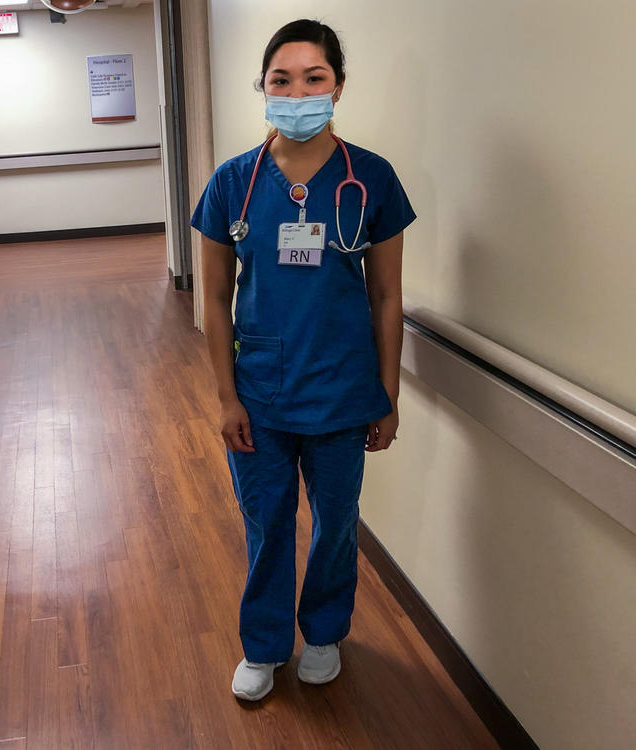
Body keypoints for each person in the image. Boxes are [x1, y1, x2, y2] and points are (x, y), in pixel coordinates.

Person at [190, 19, 415, 701]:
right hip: (259, 390)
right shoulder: (232, 183)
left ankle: (323, 634)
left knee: (336, 524)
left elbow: (385, 299)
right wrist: (227, 398)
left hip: (344, 392)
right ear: (263, 87)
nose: (297, 92)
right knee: (266, 527)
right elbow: (215, 303)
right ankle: (263, 647)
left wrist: (387, 395)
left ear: (338, 86)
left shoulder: (370, 180)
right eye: (281, 79)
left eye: (313, 78)